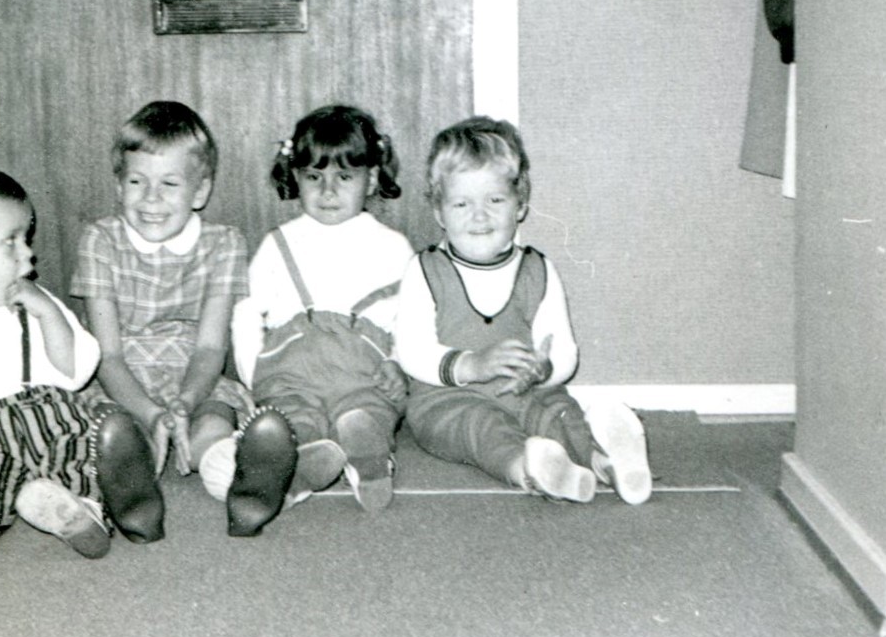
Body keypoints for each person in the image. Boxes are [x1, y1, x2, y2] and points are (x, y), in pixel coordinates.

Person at [0, 166, 162, 566]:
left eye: (26, 239)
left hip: (54, 423)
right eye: (11, 242)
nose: (28, 253)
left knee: (81, 449)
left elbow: (77, 372)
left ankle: (82, 513)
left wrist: (49, 314)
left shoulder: (36, 302)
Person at [394, 116, 652, 505]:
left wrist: (542, 369)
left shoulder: (538, 269)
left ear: (520, 204)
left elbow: (563, 349)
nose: (479, 215)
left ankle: (610, 463)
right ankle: (529, 468)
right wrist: (472, 365)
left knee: (558, 412)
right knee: (481, 428)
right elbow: (411, 351)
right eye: (462, 203)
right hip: (448, 398)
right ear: (439, 213)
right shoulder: (425, 269)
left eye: (495, 200)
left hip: (525, 390)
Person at [71, 100, 298, 538]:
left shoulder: (223, 243)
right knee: (114, 430)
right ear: (118, 185)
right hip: (121, 381)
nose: (151, 198)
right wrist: (152, 413)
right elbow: (108, 355)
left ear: (200, 192)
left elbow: (211, 347)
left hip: (194, 376)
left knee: (212, 425)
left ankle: (245, 488)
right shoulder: (100, 240)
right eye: (136, 181)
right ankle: (134, 499)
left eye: (169, 183)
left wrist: (185, 403)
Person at [231, 104, 415, 513]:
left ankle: (370, 458)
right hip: (292, 368)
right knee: (291, 419)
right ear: (295, 176)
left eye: (344, 177)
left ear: (371, 179)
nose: (328, 191)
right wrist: (253, 371)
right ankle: (302, 464)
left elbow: (410, 318)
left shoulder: (393, 246)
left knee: (368, 408)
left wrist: (398, 363)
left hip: (363, 367)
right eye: (314, 177)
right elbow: (247, 310)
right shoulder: (278, 243)